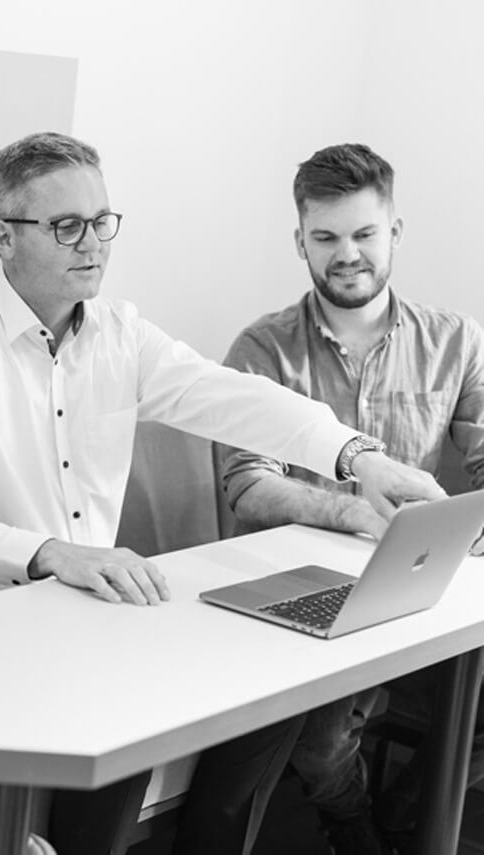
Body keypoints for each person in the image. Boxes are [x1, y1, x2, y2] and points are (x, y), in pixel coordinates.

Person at [0, 133, 445, 855]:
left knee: (169, 750)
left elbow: (233, 399)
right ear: (3, 237)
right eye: (67, 225)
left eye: (104, 221)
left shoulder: (121, 334)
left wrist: (355, 455)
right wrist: (47, 552)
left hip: (93, 612)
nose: (94, 242)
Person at [219, 141, 484, 854]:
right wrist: (354, 511)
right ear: (299, 240)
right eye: (326, 237)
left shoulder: (457, 340)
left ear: (394, 232)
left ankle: (403, 814)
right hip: (307, 585)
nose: (347, 254)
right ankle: (356, 828)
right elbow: (247, 484)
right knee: (323, 739)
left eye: (364, 234)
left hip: (425, 578)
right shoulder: (263, 348)